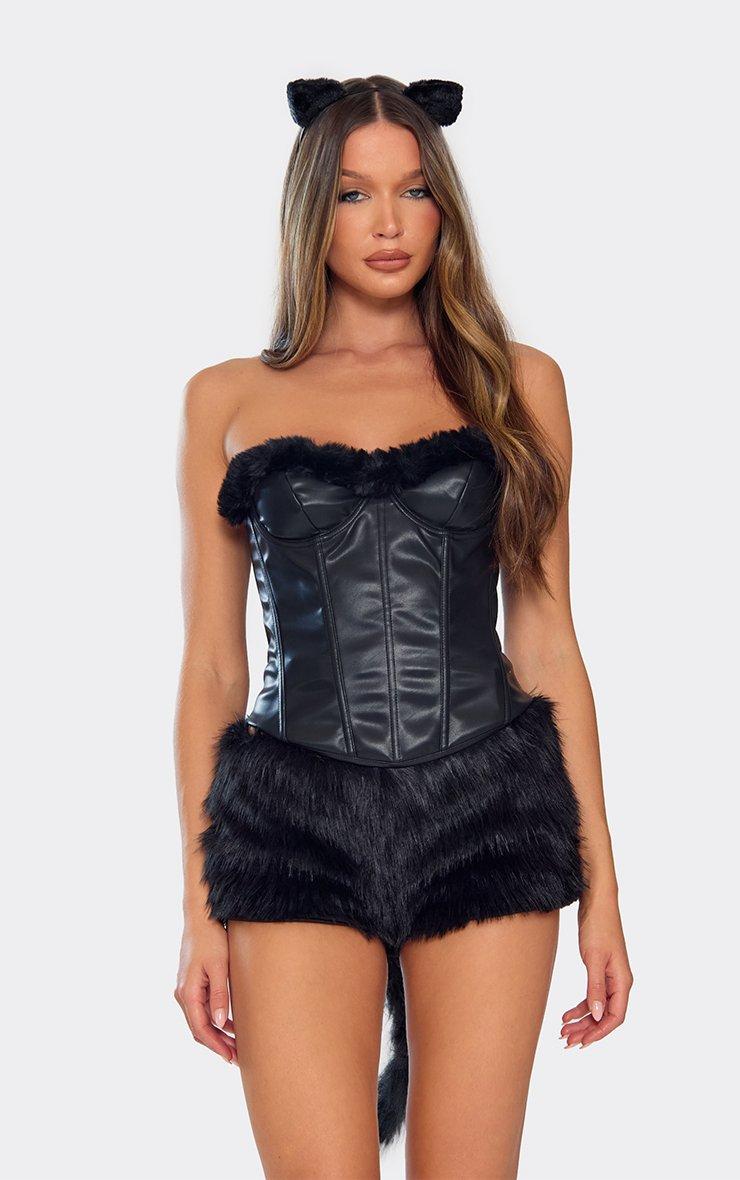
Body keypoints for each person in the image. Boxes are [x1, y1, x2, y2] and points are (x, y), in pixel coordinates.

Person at [173, 74, 633, 1178]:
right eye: (353, 194)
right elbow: (213, 668)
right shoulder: (225, 398)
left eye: (414, 190)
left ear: (444, 206)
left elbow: (546, 640)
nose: (387, 222)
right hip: (289, 823)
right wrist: (198, 904)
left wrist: (603, 892)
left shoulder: (518, 385)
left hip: (489, 810)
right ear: (311, 211)